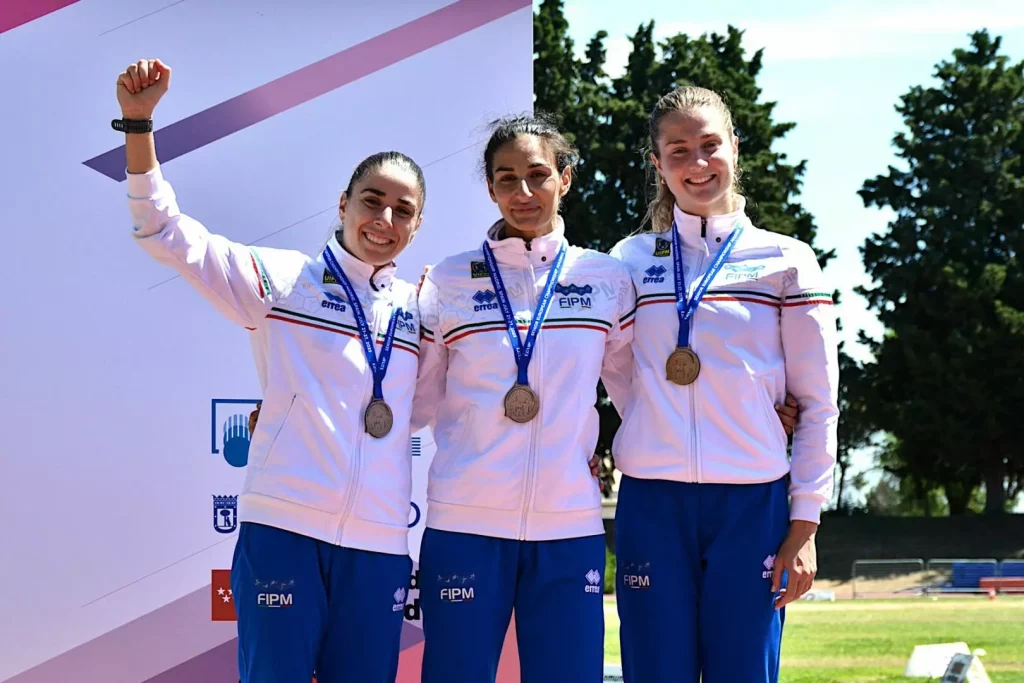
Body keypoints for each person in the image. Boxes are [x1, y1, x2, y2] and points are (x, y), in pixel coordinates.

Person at [408, 114, 801, 683]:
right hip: (464, 521)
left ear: (564, 178)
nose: (523, 192)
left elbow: (642, 384)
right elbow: (413, 402)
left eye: (538, 174)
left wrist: (754, 410)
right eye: (506, 179)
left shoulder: (606, 279)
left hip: (569, 526)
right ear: (490, 188)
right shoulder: (447, 282)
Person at [117, 58, 425, 683]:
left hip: (380, 544)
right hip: (284, 529)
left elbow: (466, 393)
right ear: (343, 204)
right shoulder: (284, 281)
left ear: (417, 226)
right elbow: (163, 231)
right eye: (372, 201)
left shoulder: (422, 312)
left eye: (403, 210)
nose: (385, 221)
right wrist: (139, 125)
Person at [607, 85, 840, 683]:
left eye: (710, 145)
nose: (698, 163)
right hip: (652, 502)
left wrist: (805, 525)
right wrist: (663, 418)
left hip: (752, 504)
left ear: (735, 147)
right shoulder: (627, 261)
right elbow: (617, 372)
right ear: (657, 163)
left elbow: (818, 404)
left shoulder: (788, 260)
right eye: (678, 150)